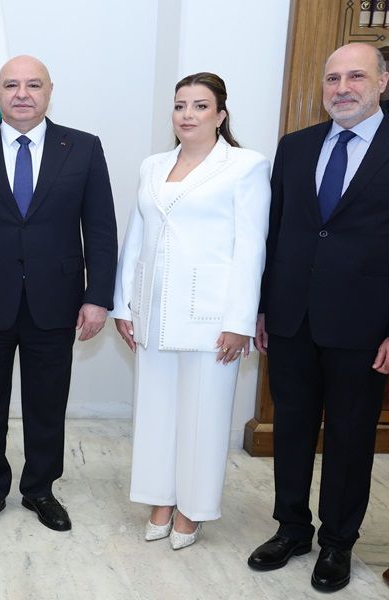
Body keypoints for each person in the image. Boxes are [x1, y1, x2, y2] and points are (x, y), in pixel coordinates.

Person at [248, 43, 389, 592]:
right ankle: (292, 528)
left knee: (350, 436)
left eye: (355, 76)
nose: (342, 88)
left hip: (365, 327)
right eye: (332, 78)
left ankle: (338, 541)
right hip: (291, 319)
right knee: (291, 430)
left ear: (382, 81)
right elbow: (276, 235)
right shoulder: (295, 147)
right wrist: (262, 306)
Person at [0, 55, 118, 533]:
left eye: (33, 84)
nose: (22, 94)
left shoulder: (84, 148)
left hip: (56, 301)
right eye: (11, 85)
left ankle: (40, 490)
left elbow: (100, 229)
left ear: (50, 91)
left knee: (46, 404)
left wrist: (98, 297)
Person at [112, 73, 270, 550]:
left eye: (200, 106)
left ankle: (192, 509)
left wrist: (240, 322)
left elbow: (251, 247)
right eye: (180, 105)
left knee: (204, 414)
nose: (188, 114)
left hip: (211, 314)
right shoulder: (153, 165)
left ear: (220, 115)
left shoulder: (245, 166)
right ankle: (160, 499)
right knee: (156, 410)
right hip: (153, 310)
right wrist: (124, 304)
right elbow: (135, 237)